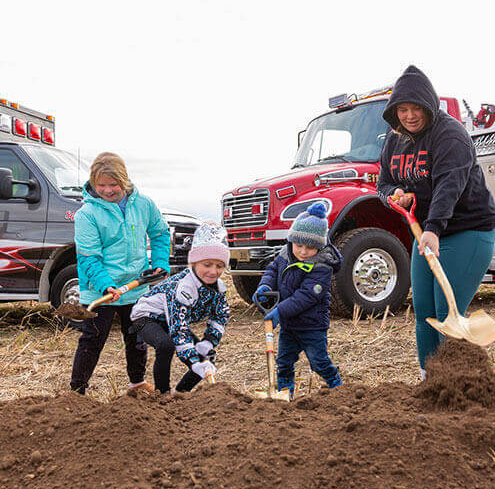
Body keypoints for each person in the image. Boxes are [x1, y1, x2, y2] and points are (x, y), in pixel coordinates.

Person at [376, 65, 495, 380]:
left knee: (447, 313)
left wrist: (433, 228)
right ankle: (429, 381)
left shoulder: (450, 135)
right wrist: (394, 195)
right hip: (427, 232)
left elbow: (449, 186)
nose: (409, 116)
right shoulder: (394, 139)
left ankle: (460, 383)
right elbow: (384, 183)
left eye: (416, 108)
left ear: (429, 105)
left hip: (467, 229)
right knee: (425, 313)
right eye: (402, 109)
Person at [69, 152, 171, 395]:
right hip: (100, 290)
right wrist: (105, 285)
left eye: (113, 184)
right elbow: (88, 257)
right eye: (101, 185)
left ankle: (137, 383)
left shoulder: (144, 204)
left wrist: (160, 263)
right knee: (92, 340)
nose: (107, 190)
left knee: (136, 337)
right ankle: (76, 393)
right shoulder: (87, 214)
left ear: (124, 180)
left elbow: (160, 233)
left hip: (136, 285)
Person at [253, 203, 342, 398]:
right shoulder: (285, 254)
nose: (302, 251)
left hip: (312, 325)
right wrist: (264, 286)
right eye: (299, 245)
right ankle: (286, 393)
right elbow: (272, 270)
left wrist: (280, 311)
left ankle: (337, 386)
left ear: (319, 246)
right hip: (289, 325)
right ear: (292, 240)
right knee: (284, 362)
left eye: (310, 247)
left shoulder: (322, 266)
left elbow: (306, 296)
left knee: (318, 362)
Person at [130, 221, 231, 393]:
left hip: (171, 320)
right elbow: (179, 330)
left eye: (219, 266)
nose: (213, 271)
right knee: (166, 345)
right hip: (146, 317)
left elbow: (220, 316)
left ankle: (181, 395)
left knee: (207, 357)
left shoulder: (219, 288)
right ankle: (163, 395)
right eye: (207, 265)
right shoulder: (183, 287)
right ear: (194, 263)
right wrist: (193, 362)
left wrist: (208, 341)